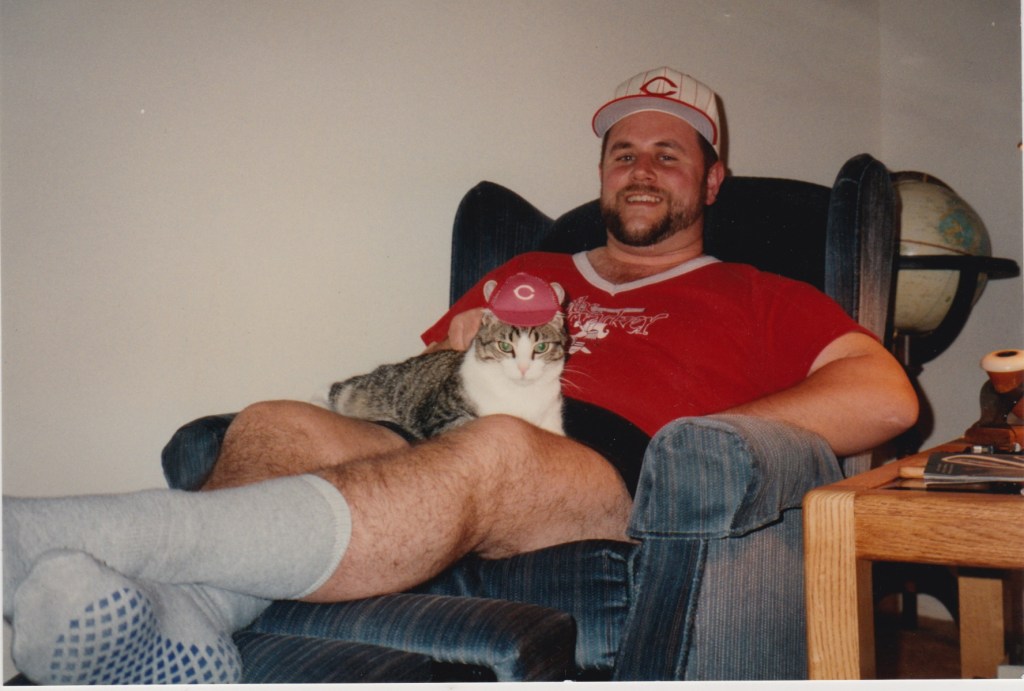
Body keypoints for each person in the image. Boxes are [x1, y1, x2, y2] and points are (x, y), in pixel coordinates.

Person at [3, 66, 919, 685]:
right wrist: (454, 350)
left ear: (712, 181)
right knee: (276, 421)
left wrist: (713, 432)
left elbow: (884, 394)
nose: (641, 170)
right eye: (623, 153)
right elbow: (423, 387)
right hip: (453, 425)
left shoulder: (758, 293)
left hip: (611, 461)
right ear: (603, 173)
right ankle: (190, 622)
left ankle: (38, 535)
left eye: (669, 153)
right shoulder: (530, 269)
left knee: (497, 446)